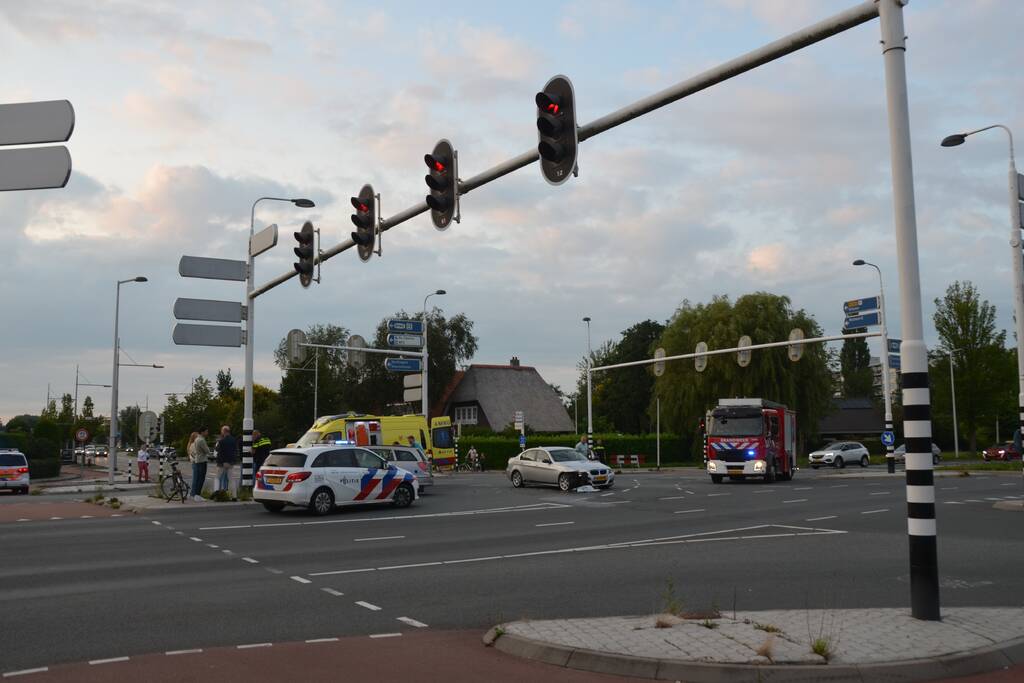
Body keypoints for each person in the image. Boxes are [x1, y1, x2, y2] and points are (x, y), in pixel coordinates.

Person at [189, 428, 211, 501]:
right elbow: (207, 451)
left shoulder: (196, 439)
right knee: (201, 478)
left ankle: (194, 494)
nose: (207, 433)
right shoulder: (201, 440)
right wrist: (207, 450)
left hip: (198, 460)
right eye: (206, 431)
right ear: (202, 432)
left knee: (197, 478)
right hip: (202, 460)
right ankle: (197, 495)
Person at [215, 425, 237, 495]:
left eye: (221, 431)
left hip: (222, 462)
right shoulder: (234, 440)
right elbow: (234, 450)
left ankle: (216, 494)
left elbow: (218, 450)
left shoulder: (221, 441)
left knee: (217, 478)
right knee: (231, 479)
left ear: (224, 431)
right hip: (231, 462)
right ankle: (234, 496)